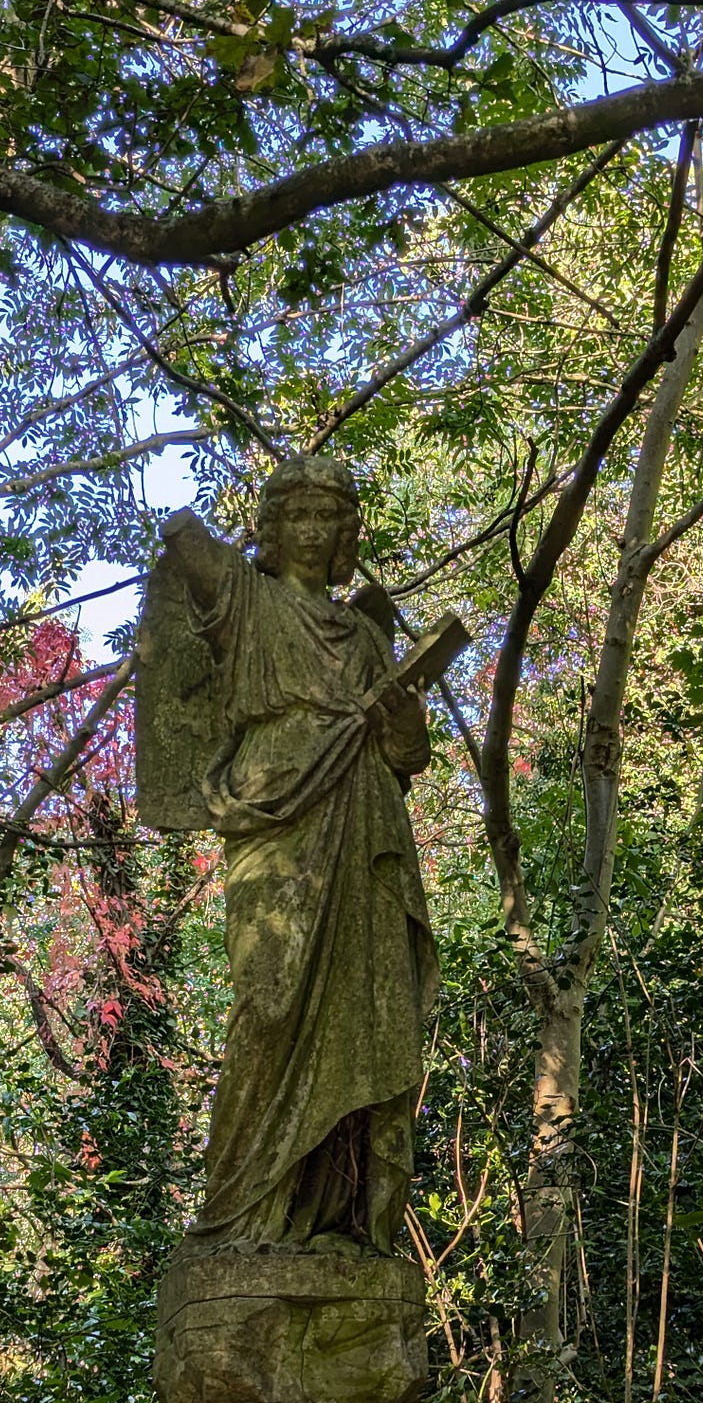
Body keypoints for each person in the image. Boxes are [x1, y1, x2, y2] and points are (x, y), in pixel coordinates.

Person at [136, 454, 438, 1253]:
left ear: (345, 535)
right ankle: (238, 1212)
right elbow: (189, 550)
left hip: (364, 821)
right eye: (296, 516)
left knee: (368, 1013)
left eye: (327, 519)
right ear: (273, 529)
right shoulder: (248, 603)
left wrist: (402, 717)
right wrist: (181, 525)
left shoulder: (365, 636)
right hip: (273, 807)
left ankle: (335, 1220)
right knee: (267, 1008)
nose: (311, 532)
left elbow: (407, 755)